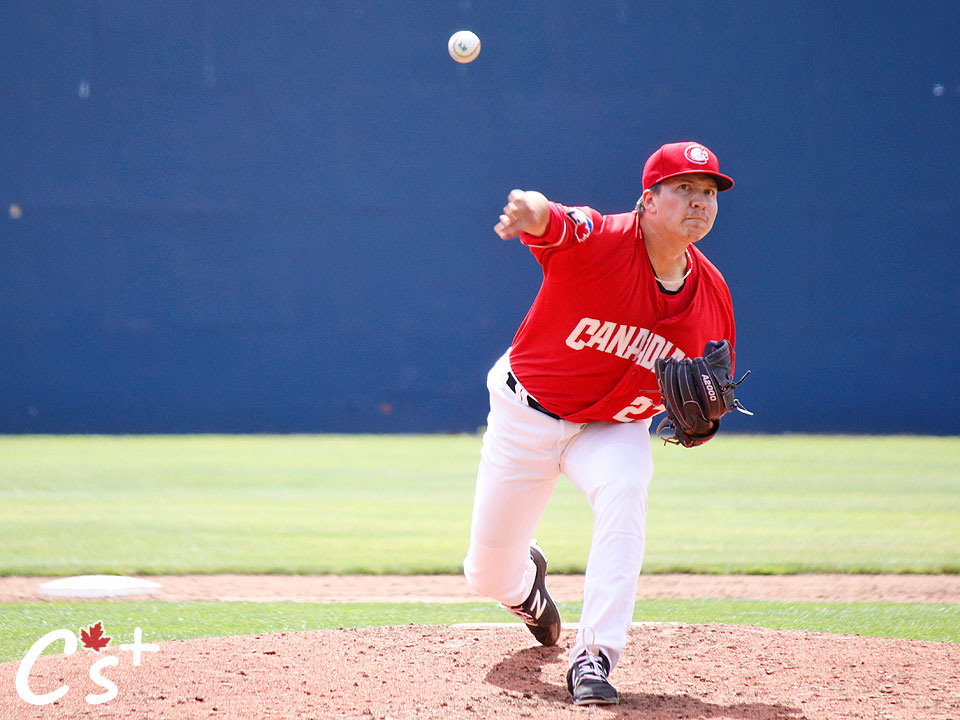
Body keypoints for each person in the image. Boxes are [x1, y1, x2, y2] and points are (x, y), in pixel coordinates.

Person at [463, 141, 738, 705]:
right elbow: (552, 219)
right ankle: (526, 589)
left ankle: (595, 656)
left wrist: (702, 423)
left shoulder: (713, 298)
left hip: (612, 426)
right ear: (648, 200)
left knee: (627, 485)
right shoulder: (602, 238)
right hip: (528, 412)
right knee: (487, 575)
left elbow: (711, 402)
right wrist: (528, 208)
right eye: (684, 188)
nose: (699, 201)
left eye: (708, 192)